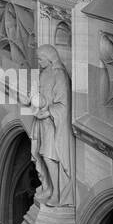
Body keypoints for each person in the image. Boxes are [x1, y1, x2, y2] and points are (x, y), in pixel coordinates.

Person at [28, 45, 72, 207]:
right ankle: (48, 186)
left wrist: (47, 113)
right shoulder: (44, 72)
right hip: (42, 121)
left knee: (49, 155)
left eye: (41, 59)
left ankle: (57, 192)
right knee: (39, 153)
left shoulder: (59, 75)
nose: (39, 62)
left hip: (53, 123)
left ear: (50, 58)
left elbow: (63, 105)